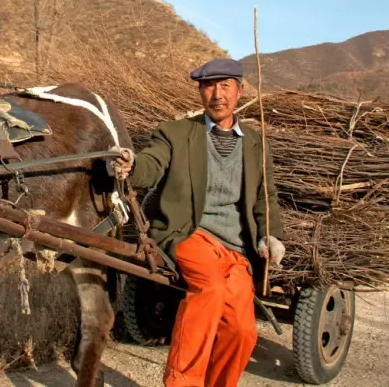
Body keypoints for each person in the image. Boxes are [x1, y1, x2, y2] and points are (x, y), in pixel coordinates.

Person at [113, 57, 285, 387]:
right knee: (209, 290)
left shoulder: (255, 144)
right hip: (190, 235)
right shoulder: (176, 133)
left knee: (242, 330)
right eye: (209, 86)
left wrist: (270, 235)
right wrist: (133, 165)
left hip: (236, 250)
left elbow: (266, 196)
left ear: (239, 91)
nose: (217, 94)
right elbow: (153, 163)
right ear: (200, 92)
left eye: (225, 86)